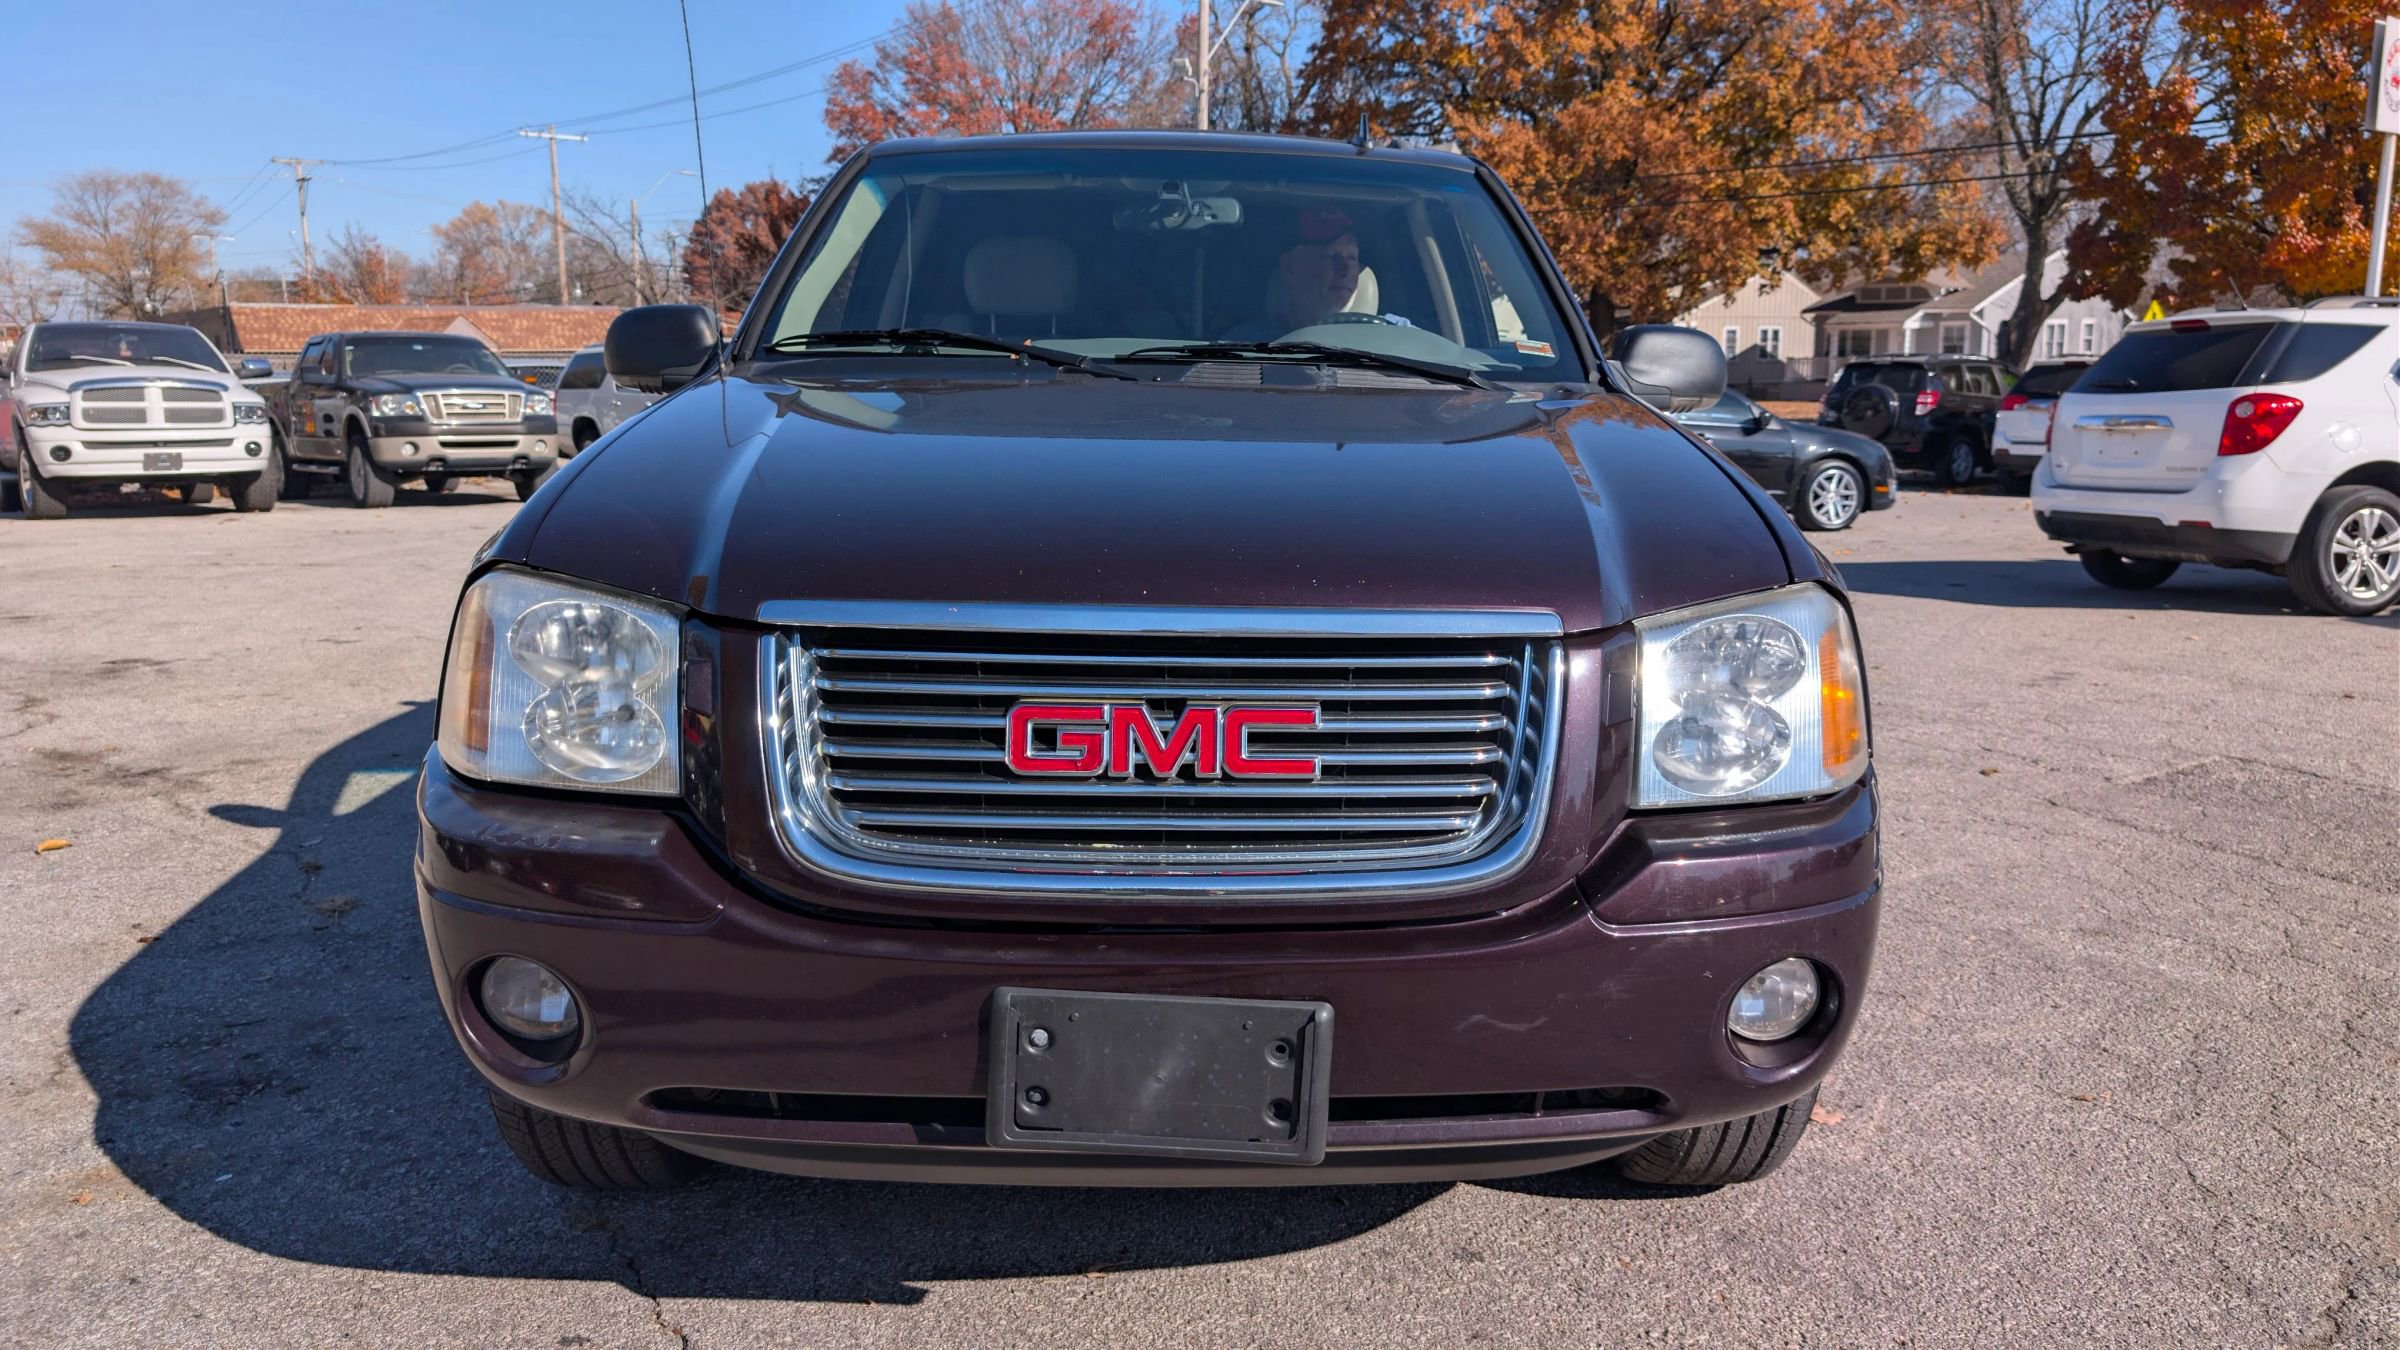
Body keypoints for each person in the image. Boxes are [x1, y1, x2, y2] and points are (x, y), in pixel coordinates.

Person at [1221, 205, 1405, 341]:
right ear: (1290, 267)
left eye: (1352, 258)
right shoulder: (1243, 346)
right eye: (1331, 257)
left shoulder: (1400, 336)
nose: (1345, 271)